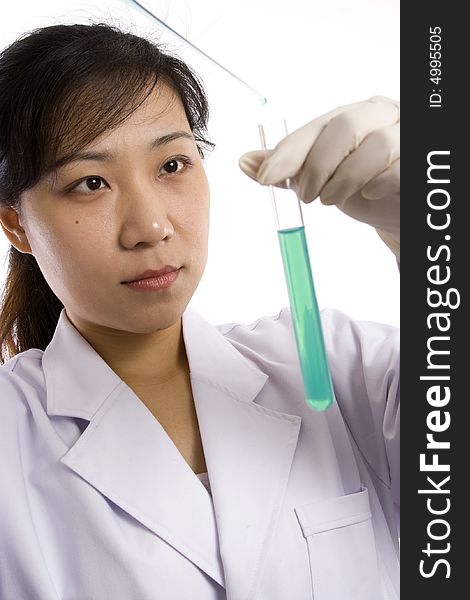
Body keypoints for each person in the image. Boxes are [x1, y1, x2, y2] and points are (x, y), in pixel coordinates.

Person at [0, 22, 399, 600]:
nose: (151, 227)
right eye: (91, 182)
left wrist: (433, 246)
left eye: (171, 166)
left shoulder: (337, 365)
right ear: (16, 223)